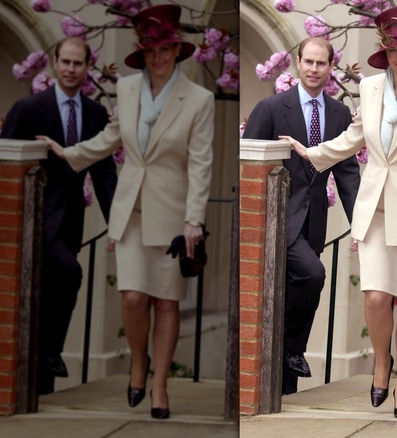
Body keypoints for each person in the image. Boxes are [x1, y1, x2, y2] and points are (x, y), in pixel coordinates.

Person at [39, 4, 213, 419]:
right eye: (151, 50)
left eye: (165, 49)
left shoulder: (200, 99)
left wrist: (194, 220)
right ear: (143, 52)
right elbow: (111, 137)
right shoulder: (129, 89)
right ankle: (139, 362)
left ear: (177, 50)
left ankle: (158, 385)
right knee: (134, 297)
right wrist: (69, 152)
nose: (158, 57)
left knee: (167, 302)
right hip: (130, 210)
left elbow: (201, 162)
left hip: (173, 215)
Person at [286, 4, 397, 420]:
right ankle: (381, 362)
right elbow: (354, 136)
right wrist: (312, 153)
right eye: (394, 50)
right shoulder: (371, 87)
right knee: (377, 297)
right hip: (374, 210)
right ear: (385, 52)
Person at [242, 37, 360, 396]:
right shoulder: (271, 107)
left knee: (294, 294)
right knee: (313, 275)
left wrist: (360, 226)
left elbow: (348, 176)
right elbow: (247, 167)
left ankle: (285, 387)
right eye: (307, 62)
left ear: (330, 67)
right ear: (297, 63)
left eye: (320, 63)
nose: (313, 69)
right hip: (276, 223)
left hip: (312, 225)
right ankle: (292, 349)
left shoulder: (339, 115)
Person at [0, 37, 117, 395]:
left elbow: (104, 175)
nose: (70, 69)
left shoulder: (96, 115)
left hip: (69, 225)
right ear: (54, 63)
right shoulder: (28, 108)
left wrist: (118, 225)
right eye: (64, 62)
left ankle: (43, 383)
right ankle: (50, 352)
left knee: (51, 294)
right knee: (69, 274)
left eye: (77, 64)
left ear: (87, 67)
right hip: (29, 223)